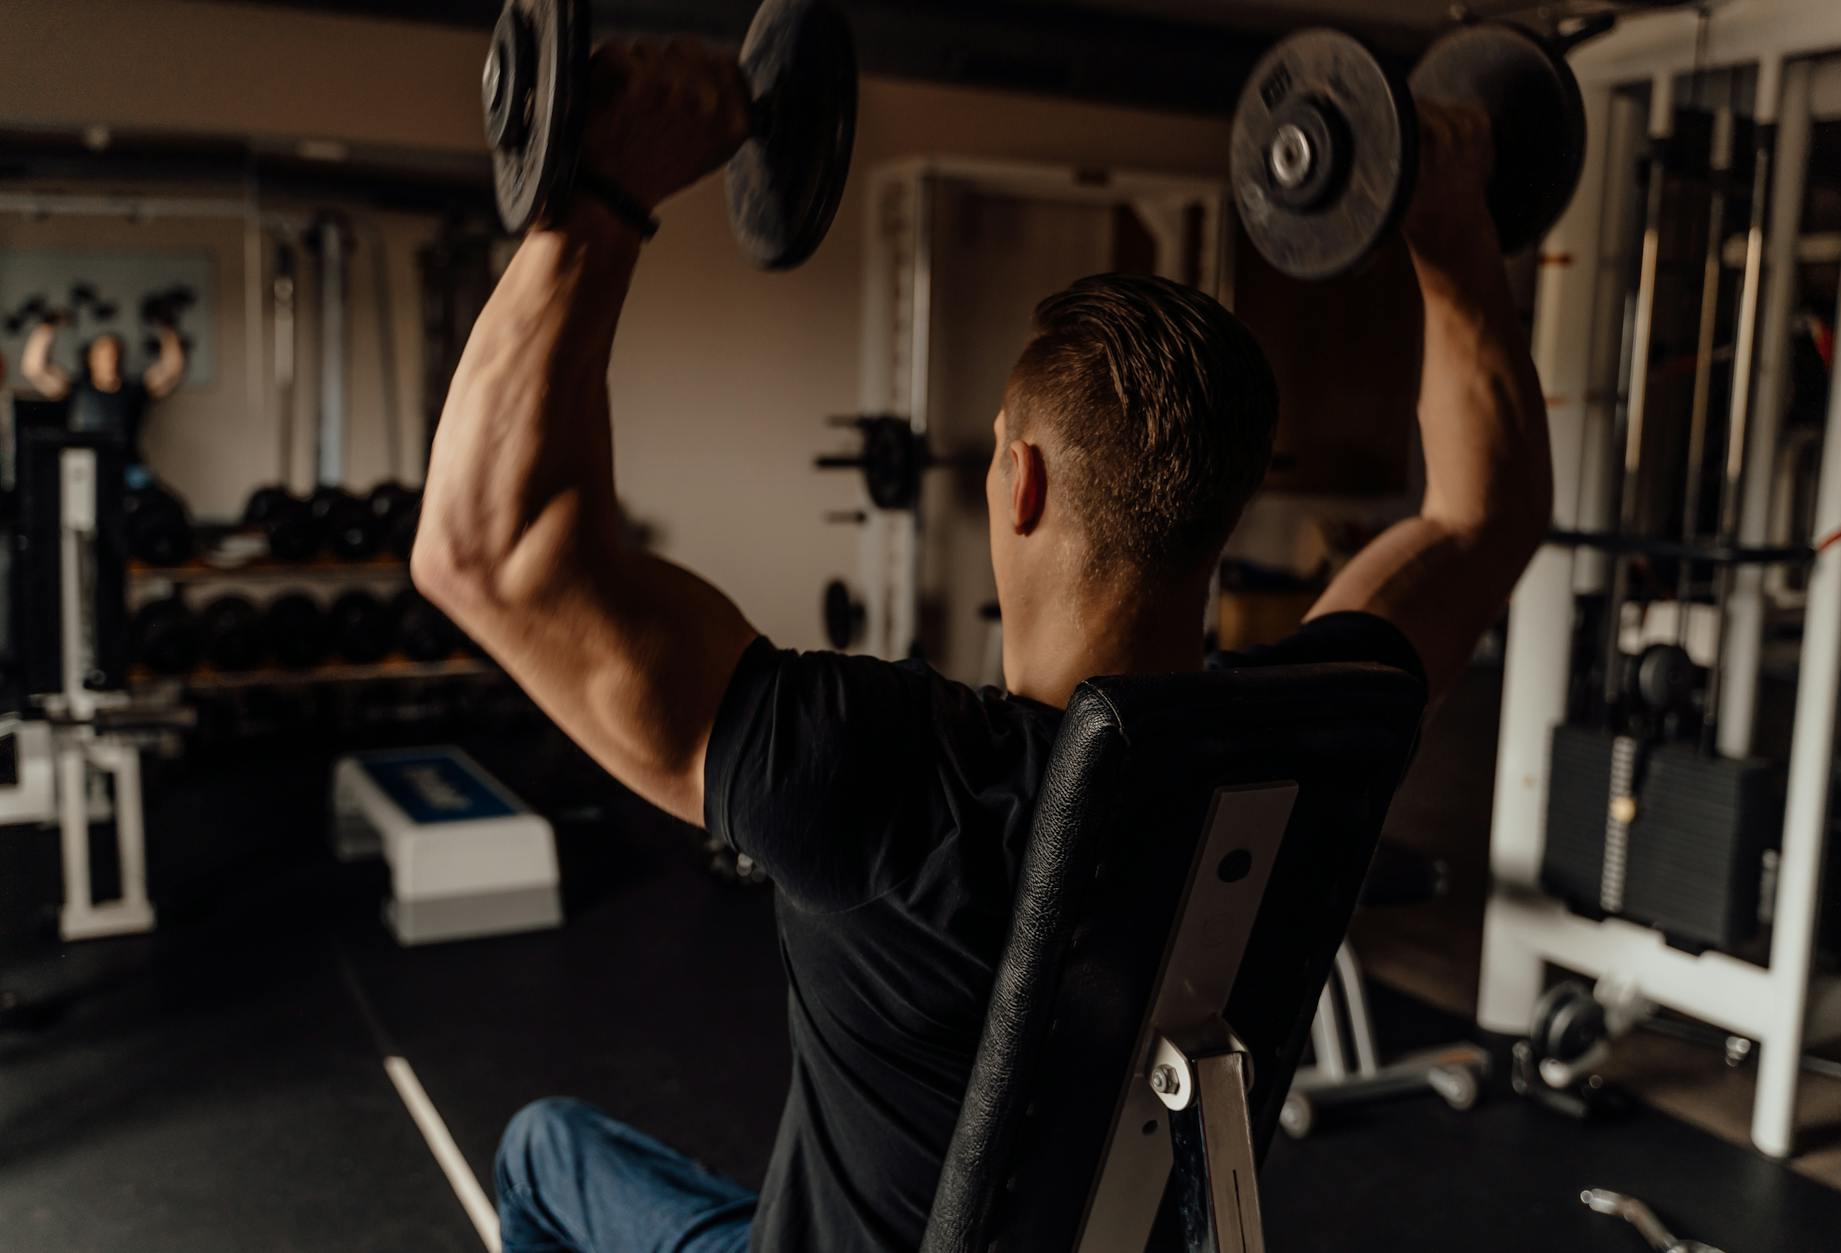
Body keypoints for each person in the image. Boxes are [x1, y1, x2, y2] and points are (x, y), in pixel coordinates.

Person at [413, 35, 1552, 1253]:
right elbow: (1480, 516)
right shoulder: (1306, 739)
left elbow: (484, 553)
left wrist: (604, 194)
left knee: (543, 1147)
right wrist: (1445, 215)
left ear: (1018, 480)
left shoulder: (892, 779)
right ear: (1215, 516)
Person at [20, 311, 187, 485]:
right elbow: (34, 370)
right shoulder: (75, 389)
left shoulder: (135, 389)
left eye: (114, 353)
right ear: (92, 358)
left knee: (161, 506)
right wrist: (46, 328)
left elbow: (172, 370)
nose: (109, 358)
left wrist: (167, 330)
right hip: (84, 468)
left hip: (127, 468)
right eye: (103, 353)